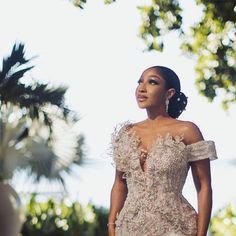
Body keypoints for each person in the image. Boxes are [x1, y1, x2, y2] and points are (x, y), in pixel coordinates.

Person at [108, 65, 217, 236]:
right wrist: (112, 226)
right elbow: (120, 184)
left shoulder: (187, 131)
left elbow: (204, 187)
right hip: (128, 227)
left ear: (169, 93)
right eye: (140, 82)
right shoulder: (127, 133)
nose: (141, 88)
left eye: (152, 82)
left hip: (175, 227)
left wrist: (201, 234)